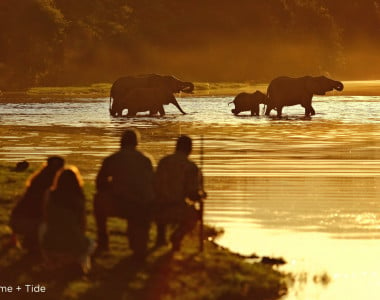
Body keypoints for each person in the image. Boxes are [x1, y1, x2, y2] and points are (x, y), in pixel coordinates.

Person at [94, 129, 154, 260]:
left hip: (120, 203)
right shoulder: (146, 160)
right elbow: (152, 184)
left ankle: (103, 240)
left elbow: (99, 183)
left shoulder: (112, 159)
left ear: (121, 142)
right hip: (141, 205)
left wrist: (114, 187)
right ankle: (140, 244)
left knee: (98, 199)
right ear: (137, 143)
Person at [154, 135, 206, 251]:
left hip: (156, 208)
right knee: (195, 216)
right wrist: (201, 194)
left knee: (161, 203)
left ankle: (161, 236)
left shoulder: (163, 161)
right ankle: (177, 236)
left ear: (176, 147)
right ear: (190, 149)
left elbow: (155, 184)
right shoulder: (191, 167)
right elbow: (192, 195)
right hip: (176, 209)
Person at [40, 166, 95, 274]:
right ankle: (78, 263)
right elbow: (83, 224)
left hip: (51, 244)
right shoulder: (79, 197)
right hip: (74, 244)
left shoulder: (49, 194)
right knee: (92, 243)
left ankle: (52, 261)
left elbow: (46, 217)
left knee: (42, 227)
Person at [9, 156, 65, 254]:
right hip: (29, 224)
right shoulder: (50, 186)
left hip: (15, 221)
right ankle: (35, 244)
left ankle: (32, 242)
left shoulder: (37, 180)